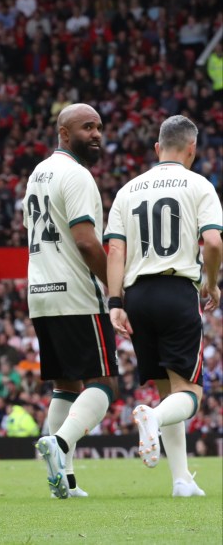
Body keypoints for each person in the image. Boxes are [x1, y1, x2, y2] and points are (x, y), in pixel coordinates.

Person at [105, 115, 222, 498]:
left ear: (157, 148)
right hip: (176, 291)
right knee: (188, 393)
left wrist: (115, 302)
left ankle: (181, 479)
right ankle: (152, 417)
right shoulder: (199, 185)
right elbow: (214, 243)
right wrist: (211, 282)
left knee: (164, 388)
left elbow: (116, 250)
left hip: (137, 296)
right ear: (192, 149)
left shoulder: (128, 190)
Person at [24, 104, 117, 500]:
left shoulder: (38, 173)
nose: (95, 134)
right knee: (104, 384)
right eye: (86, 127)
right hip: (77, 294)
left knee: (66, 385)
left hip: (41, 294)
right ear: (64, 133)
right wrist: (116, 285)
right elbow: (84, 240)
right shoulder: (76, 175)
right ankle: (59, 443)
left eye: (98, 127)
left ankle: (65, 478)